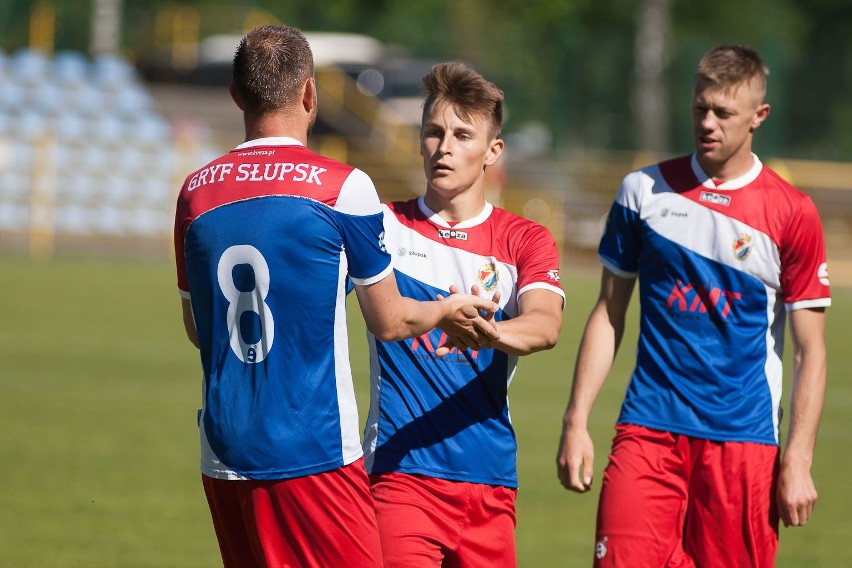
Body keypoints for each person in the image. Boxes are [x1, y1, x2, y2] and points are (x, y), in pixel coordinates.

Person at [173, 26, 500, 568]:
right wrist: (445, 307)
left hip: (223, 453)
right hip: (313, 453)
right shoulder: (341, 187)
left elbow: (196, 327)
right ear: (309, 95)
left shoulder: (196, 191)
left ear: (236, 97)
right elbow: (391, 320)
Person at [556, 44, 830, 566]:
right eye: (699, 108)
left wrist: (797, 457)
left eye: (723, 113)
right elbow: (609, 312)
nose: (707, 122)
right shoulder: (643, 191)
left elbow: (809, 351)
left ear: (758, 117)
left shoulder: (793, 212)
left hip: (743, 441)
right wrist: (576, 420)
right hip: (647, 429)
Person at [362, 61, 565, 567]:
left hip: (490, 483)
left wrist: (488, 332)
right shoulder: (382, 225)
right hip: (399, 474)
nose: (444, 146)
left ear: (493, 151)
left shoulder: (525, 239)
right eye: (433, 132)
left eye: (461, 134)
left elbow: (545, 324)